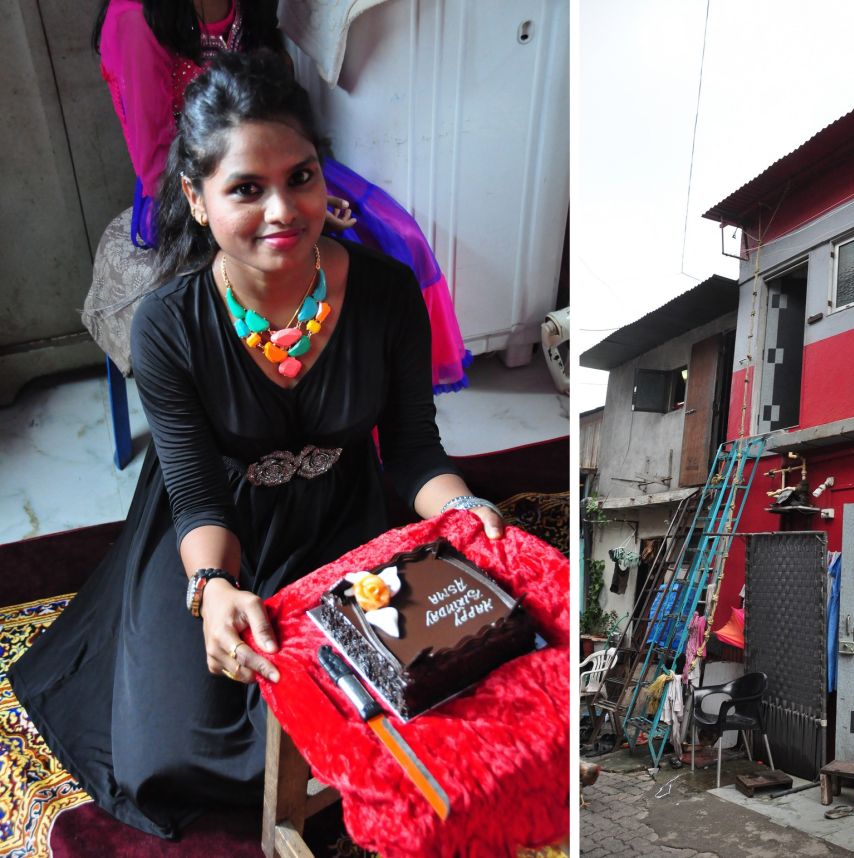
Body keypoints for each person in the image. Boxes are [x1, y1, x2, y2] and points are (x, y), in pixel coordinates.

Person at [10, 50, 500, 840]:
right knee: (175, 751)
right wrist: (212, 590)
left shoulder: (385, 292)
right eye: (246, 188)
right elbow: (195, 489)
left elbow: (412, 449)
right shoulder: (167, 324)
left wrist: (464, 510)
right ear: (196, 200)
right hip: (217, 525)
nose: (283, 210)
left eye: (300, 178)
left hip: (343, 522)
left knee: (413, 693)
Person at [86, 0, 469, 393]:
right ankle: (327, 398)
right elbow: (154, 160)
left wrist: (306, 191)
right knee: (327, 254)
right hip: (194, 186)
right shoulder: (135, 19)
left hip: (274, 164)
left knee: (399, 237)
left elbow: (282, 113)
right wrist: (260, 201)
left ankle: (382, 398)